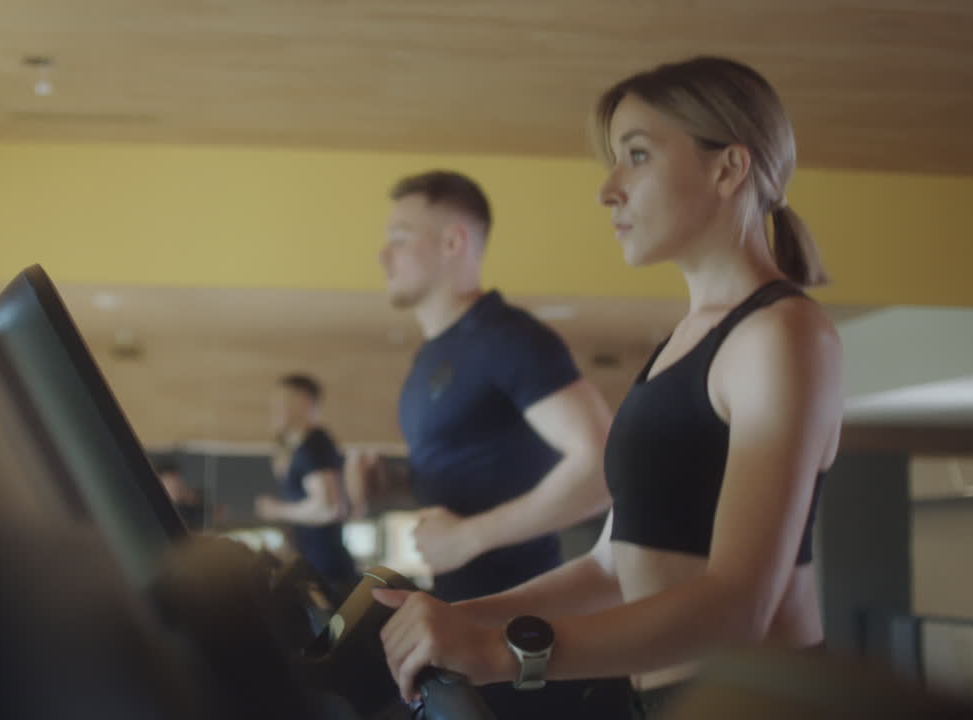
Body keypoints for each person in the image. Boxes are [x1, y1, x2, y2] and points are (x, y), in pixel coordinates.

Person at [371, 56, 844, 719]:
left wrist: (502, 651)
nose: (608, 189)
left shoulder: (781, 334)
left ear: (728, 168)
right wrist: (452, 618)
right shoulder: (679, 345)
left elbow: (738, 606)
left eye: (638, 155)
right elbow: (613, 567)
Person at [348, 170, 632, 717]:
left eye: (400, 237)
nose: (384, 255)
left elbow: (600, 465)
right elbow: (477, 468)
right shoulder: (431, 357)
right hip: (461, 616)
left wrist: (469, 537)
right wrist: (392, 482)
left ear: (453, 242)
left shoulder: (509, 338)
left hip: (522, 644)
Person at [255, 373, 359, 602]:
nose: (276, 409)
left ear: (304, 402)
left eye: (282, 401)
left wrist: (276, 510)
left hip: (327, 572)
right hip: (315, 567)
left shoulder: (314, 445)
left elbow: (330, 508)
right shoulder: (300, 448)